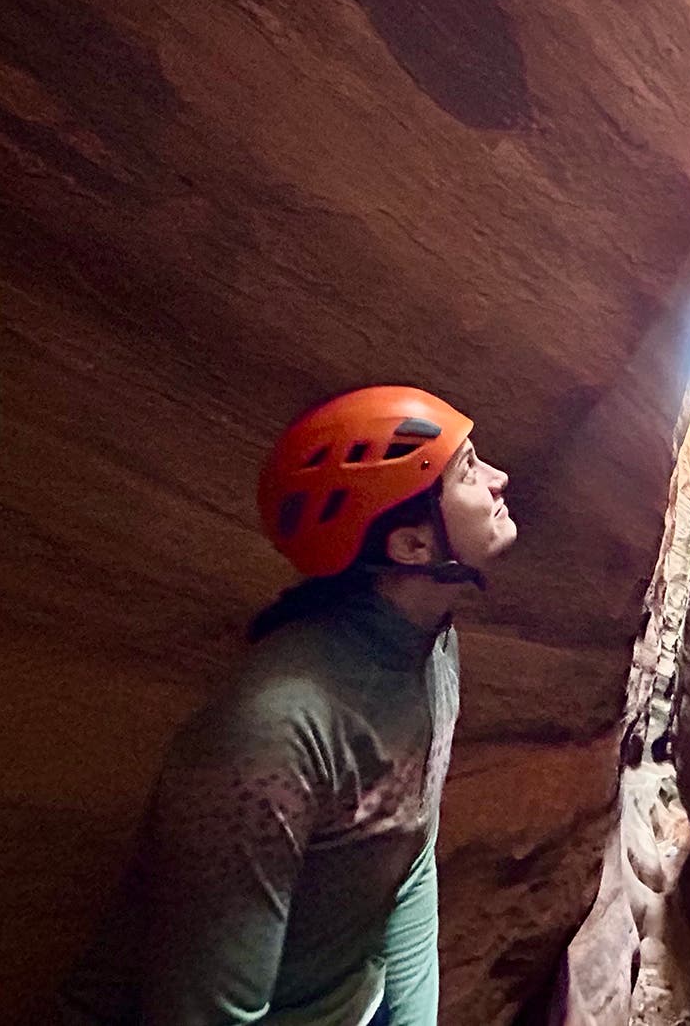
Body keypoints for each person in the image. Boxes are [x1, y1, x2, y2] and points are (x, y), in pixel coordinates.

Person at [60, 385, 518, 1026]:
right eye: (469, 470)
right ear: (412, 547)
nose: (499, 480)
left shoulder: (432, 645)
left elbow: (409, 850)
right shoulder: (273, 737)